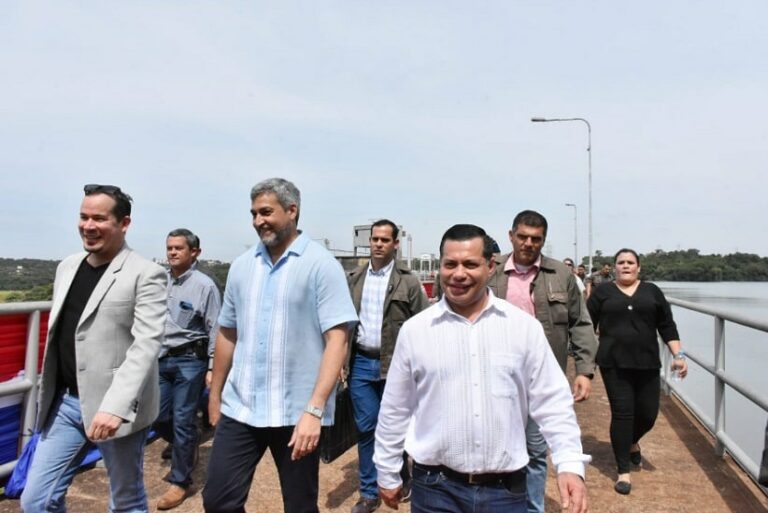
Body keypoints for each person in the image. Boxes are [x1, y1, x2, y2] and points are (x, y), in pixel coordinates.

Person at [374, 224, 590, 513]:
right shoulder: (416, 331)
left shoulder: (522, 327)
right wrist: (387, 469)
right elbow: (395, 407)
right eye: (450, 264)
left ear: (490, 267)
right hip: (435, 488)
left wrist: (570, 463)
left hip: (505, 491)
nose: (458, 273)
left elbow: (552, 401)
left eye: (470, 264)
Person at [202, 178, 358, 513]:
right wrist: (215, 396)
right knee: (218, 501)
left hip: (295, 411)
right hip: (242, 407)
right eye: (254, 214)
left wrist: (314, 410)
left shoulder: (320, 265)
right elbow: (227, 333)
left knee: (300, 506)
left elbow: (338, 340)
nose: (258, 221)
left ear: (292, 210)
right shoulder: (243, 266)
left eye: (266, 212)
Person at [21, 184, 167, 513]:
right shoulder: (67, 267)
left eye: (99, 218)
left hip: (116, 407)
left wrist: (115, 406)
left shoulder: (146, 274)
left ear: (124, 223)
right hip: (66, 402)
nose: (88, 226)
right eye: (84, 217)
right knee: (36, 500)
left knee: (125, 500)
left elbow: (146, 344)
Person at [487, 210, 597, 513]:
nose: (528, 243)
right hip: (496, 378)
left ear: (543, 240)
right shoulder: (491, 272)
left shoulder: (561, 275)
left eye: (535, 239)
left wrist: (584, 370)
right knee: (498, 449)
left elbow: (580, 323)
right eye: (522, 237)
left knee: (536, 451)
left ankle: (532, 508)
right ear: (511, 236)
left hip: (541, 379)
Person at [587, 248, 688, 495]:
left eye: (630, 262)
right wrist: (586, 362)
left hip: (647, 363)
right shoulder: (603, 292)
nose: (626, 266)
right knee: (622, 414)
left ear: (639, 267)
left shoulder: (652, 291)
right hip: (613, 364)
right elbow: (586, 326)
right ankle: (623, 471)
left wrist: (678, 355)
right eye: (621, 262)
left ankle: (632, 442)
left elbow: (667, 325)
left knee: (648, 414)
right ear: (614, 267)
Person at [346, 219, 429, 513]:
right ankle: (369, 492)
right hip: (360, 363)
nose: (379, 244)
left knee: (397, 426)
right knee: (367, 427)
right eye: (375, 239)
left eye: (385, 240)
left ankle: (400, 475)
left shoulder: (409, 282)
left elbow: (423, 324)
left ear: (395, 244)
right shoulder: (354, 279)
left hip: (396, 365)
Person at [154, 228, 221, 510]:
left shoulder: (205, 285)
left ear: (194, 252)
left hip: (190, 360)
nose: (172, 253)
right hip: (160, 358)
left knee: (182, 418)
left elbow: (215, 327)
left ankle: (180, 481)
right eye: (169, 247)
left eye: (178, 248)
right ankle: (187, 443)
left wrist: (212, 367)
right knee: (157, 416)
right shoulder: (159, 281)